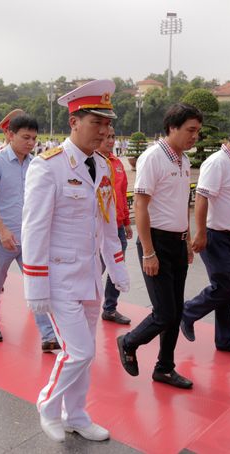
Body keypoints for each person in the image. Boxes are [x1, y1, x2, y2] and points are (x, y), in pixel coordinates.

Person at [22, 79, 130, 443]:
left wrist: (117, 267)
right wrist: (34, 284)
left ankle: (77, 414)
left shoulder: (101, 165)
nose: (105, 129)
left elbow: (107, 223)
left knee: (87, 354)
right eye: (97, 121)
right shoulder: (48, 166)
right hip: (57, 278)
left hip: (89, 278)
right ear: (74, 122)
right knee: (78, 352)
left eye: (107, 122)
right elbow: (34, 228)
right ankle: (48, 405)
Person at [116, 103, 203, 390]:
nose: (194, 137)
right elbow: (140, 206)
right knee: (164, 312)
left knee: (176, 311)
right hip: (156, 243)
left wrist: (188, 241)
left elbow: (182, 205)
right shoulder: (153, 158)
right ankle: (128, 342)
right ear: (172, 127)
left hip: (177, 242)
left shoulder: (184, 161)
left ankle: (164, 368)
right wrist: (149, 251)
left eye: (198, 132)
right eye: (190, 130)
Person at [180, 119, 230, 356]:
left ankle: (226, 339)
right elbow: (202, 197)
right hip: (217, 236)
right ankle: (188, 312)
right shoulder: (217, 163)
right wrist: (201, 233)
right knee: (224, 287)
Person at [0, 114, 57, 350]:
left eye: (34, 138)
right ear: (10, 135)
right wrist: (3, 231)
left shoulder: (36, 163)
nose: (30, 143)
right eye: (25, 137)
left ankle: (47, 335)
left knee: (39, 285)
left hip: (30, 240)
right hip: (2, 239)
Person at [97, 126, 132, 324]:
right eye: (106, 137)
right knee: (96, 268)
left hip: (117, 227)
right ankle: (82, 305)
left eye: (112, 136)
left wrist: (126, 222)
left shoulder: (117, 163)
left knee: (116, 268)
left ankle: (110, 308)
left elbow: (122, 195)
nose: (110, 141)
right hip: (99, 229)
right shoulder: (91, 162)